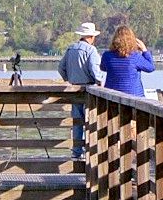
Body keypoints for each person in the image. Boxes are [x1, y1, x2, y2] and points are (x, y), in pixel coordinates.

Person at [57, 22, 100, 159]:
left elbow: (60, 68)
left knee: (77, 122)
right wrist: (100, 82)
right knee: (91, 122)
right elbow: (95, 71)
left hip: (74, 90)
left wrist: (68, 78)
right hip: (89, 91)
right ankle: (91, 151)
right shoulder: (91, 50)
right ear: (92, 37)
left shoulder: (71, 49)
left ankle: (76, 152)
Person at [99, 25, 154, 97]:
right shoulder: (135, 57)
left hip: (112, 96)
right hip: (134, 96)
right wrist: (144, 50)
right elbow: (150, 67)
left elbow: (103, 68)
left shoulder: (107, 55)